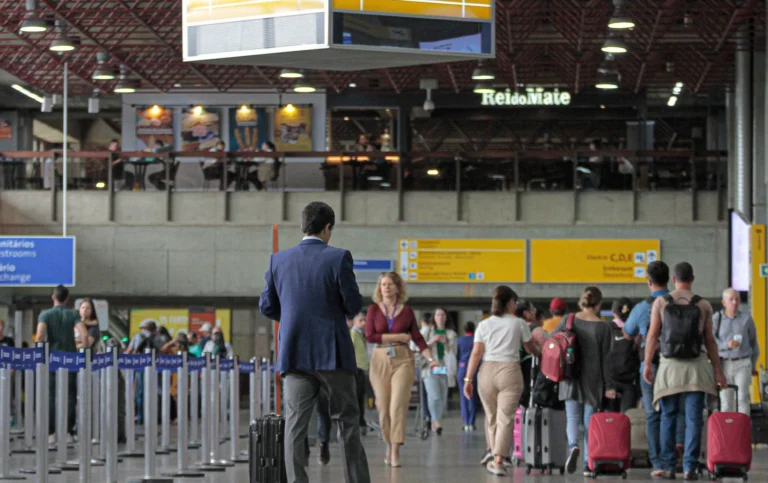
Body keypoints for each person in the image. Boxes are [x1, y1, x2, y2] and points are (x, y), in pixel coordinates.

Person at [259, 201, 370, 483]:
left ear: (303, 226)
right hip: (332, 354)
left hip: (294, 353)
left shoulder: (278, 260)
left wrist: (293, 317)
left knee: (295, 425)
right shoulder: (339, 257)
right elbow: (353, 304)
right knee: (347, 422)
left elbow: (266, 306)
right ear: (327, 228)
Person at [643, 262, 728, 480]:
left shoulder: (661, 302)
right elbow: (710, 341)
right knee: (693, 419)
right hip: (696, 368)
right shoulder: (703, 305)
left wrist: (646, 364)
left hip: (669, 367)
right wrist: (718, 371)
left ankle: (669, 466)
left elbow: (652, 336)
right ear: (693, 279)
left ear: (674, 279)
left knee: (668, 416)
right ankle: (690, 467)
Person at [463, 286, 537, 477]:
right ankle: (498, 460)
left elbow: (476, 353)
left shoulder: (484, 325)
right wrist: (542, 353)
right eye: (515, 302)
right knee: (506, 418)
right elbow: (530, 349)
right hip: (509, 371)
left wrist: (468, 379)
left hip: (486, 372)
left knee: (491, 417)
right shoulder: (518, 323)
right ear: (510, 303)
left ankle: (492, 453)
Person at [365, 272, 437, 468]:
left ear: (398, 287)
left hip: (403, 359)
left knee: (398, 404)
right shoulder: (373, 310)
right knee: (383, 406)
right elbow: (370, 336)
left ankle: (395, 449)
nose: (386, 288)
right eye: (383, 284)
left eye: (390, 284)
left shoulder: (406, 311)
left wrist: (431, 359)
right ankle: (388, 444)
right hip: (379, 358)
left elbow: (417, 338)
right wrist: (399, 336)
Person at [623, 260, 686, 475]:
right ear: (669, 280)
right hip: (675, 364)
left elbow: (628, 332)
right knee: (674, 410)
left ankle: (657, 461)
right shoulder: (677, 302)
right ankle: (674, 455)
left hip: (648, 366)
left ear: (649, 281)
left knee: (652, 414)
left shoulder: (642, 307)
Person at [558, 286, 615, 476]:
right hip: (594, 380)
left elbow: (553, 341)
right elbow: (607, 359)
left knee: (573, 418)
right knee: (590, 421)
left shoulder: (569, 320)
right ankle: (589, 464)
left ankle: (574, 445)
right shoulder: (604, 326)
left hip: (569, 376)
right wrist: (609, 386)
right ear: (599, 304)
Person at [35, 285, 88, 445]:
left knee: (51, 395)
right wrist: (84, 351)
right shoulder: (73, 314)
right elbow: (84, 334)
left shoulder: (45, 314)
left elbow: (39, 335)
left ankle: (51, 433)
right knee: (70, 395)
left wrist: (41, 349)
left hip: (52, 358)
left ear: (53, 297)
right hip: (70, 358)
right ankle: (67, 432)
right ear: (67, 299)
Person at [714, 288, 759, 415]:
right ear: (724, 302)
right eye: (731, 299)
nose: (734, 302)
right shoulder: (716, 319)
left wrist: (753, 364)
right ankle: (727, 433)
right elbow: (711, 343)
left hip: (743, 362)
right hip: (724, 364)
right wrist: (726, 345)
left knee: (742, 399)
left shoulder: (746, 319)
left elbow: (754, 343)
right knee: (726, 401)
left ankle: (743, 432)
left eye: (737, 299)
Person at [420, 307, 456, 435]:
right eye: (438, 315)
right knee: (433, 395)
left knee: (441, 396)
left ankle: (436, 420)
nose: (440, 317)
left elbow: (453, 353)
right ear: (433, 317)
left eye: (443, 315)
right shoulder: (426, 331)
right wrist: (432, 340)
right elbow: (418, 346)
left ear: (446, 317)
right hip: (429, 367)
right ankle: (435, 421)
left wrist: (446, 343)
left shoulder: (451, 333)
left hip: (443, 367)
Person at [607, 297, 640, 413]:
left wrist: (608, 385)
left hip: (611, 380)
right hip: (630, 381)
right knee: (627, 417)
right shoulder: (636, 330)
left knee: (610, 419)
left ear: (613, 311)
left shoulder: (607, 328)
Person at [457, 321, 480, 431]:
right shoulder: (476, 341)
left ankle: (465, 423)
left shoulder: (459, 340)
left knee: (463, 396)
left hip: (462, 369)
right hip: (473, 369)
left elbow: (457, 355)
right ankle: (472, 422)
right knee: (473, 396)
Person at [349, 313, 370, 435]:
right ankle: (357, 421)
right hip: (355, 368)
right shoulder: (353, 334)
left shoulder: (361, 335)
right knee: (356, 396)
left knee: (361, 396)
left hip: (361, 368)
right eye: (361, 320)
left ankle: (361, 420)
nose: (364, 323)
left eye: (365, 320)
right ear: (355, 321)